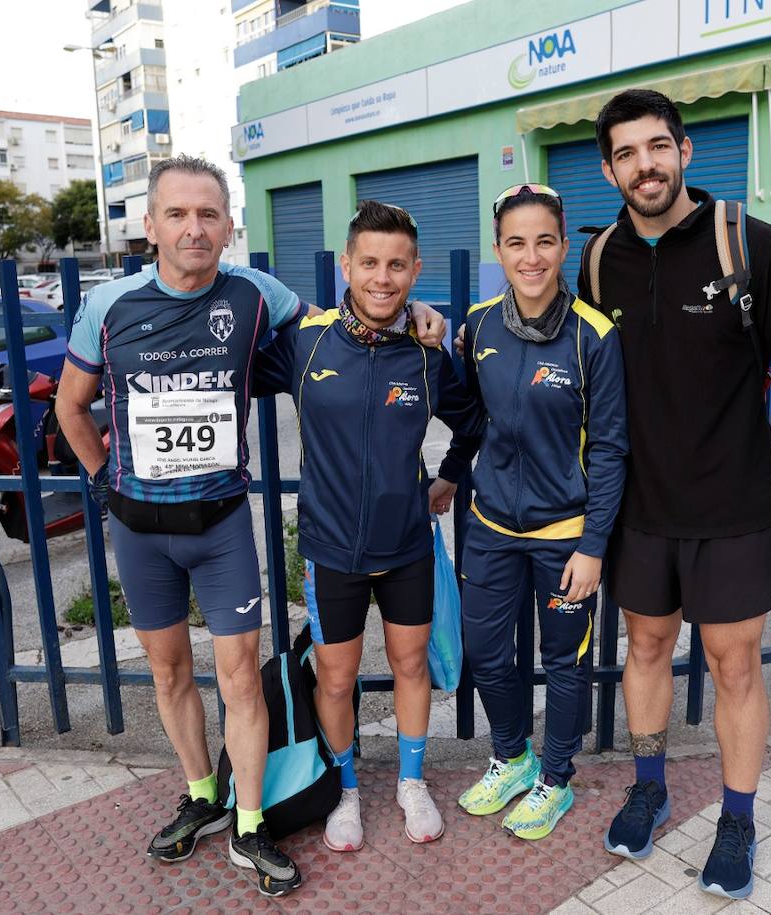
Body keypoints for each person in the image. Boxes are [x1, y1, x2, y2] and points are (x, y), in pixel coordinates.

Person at [55, 157, 440, 894]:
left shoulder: (259, 296)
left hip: (222, 520)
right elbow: (71, 407)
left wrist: (421, 311)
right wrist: (108, 483)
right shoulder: (108, 304)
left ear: (229, 225)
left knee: (239, 678)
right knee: (168, 671)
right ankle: (202, 794)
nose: (194, 228)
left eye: (208, 214)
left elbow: (345, 327)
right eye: (178, 214)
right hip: (140, 529)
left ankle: (252, 821)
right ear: (151, 225)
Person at [585, 90, 771, 901]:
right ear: (609, 169)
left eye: (657, 147)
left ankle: (737, 816)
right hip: (639, 508)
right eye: (627, 154)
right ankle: (652, 783)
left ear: (686, 150)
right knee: (648, 648)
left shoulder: (750, 244)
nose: (645, 166)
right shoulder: (597, 259)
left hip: (732, 503)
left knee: (735, 665)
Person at [253, 199, 484, 853]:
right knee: (334, 678)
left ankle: (412, 781)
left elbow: (471, 421)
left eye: (397, 265)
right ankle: (347, 789)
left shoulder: (428, 352)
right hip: (331, 550)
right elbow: (233, 353)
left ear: (414, 271)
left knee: (412, 666)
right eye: (370, 262)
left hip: (407, 544)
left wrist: (449, 477)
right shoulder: (305, 342)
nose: (382, 277)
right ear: (347, 265)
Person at [430, 184, 627, 841]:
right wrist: (453, 475)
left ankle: (556, 778)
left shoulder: (592, 336)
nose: (532, 256)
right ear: (499, 251)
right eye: (517, 242)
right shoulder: (480, 325)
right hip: (490, 527)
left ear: (564, 246)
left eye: (545, 241)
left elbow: (610, 449)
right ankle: (512, 758)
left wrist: (594, 544)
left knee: (564, 661)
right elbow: (474, 417)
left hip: (565, 536)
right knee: (487, 652)